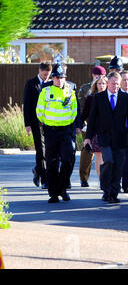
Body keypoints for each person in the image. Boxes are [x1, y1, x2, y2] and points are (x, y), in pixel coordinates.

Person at [84, 72, 128, 203]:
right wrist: (88, 137)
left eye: (118, 84)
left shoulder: (126, 98)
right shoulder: (98, 97)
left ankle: (114, 192)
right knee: (108, 161)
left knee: (119, 165)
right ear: (108, 83)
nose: (116, 86)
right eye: (113, 83)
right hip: (104, 137)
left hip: (121, 138)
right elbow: (92, 119)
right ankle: (106, 190)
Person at [36, 64, 80, 203]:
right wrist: (49, 122)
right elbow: (39, 111)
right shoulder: (45, 91)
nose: (59, 80)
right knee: (52, 163)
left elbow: (74, 110)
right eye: (56, 77)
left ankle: (62, 187)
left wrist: (68, 121)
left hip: (66, 130)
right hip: (50, 131)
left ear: (65, 78)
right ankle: (54, 193)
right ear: (53, 78)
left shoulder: (70, 91)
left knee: (68, 159)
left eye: (61, 78)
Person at [23, 61, 51, 189]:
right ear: (39, 71)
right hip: (36, 122)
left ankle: (37, 170)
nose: (46, 77)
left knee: (48, 150)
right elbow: (27, 104)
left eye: (48, 74)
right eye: (44, 74)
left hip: (50, 121)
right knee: (41, 150)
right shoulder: (31, 83)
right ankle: (44, 178)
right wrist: (27, 124)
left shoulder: (51, 84)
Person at [78, 65, 106, 187]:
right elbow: (82, 108)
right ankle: (84, 177)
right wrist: (81, 124)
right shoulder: (85, 89)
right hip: (89, 125)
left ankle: (105, 179)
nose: (99, 79)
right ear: (93, 76)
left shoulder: (109, 91)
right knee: (87, 152)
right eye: (96, 76)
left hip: (104, 128)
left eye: (101, 76)